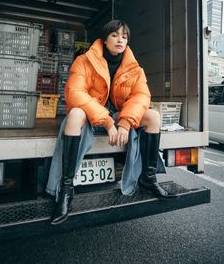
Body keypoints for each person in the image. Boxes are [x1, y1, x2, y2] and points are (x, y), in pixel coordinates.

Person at [50, 20, 178, 225]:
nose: (120, 40)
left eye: (124, 36)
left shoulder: (135, 69)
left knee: (153, 116)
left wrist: (125, 123)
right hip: (92, 114)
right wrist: (109, 123)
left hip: (118, 114)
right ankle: (66, 189)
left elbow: (141, 97)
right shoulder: (84, 61)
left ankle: (149, 178)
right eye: (115, 35)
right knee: (74, 114)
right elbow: (75, 93)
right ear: (104, 39)